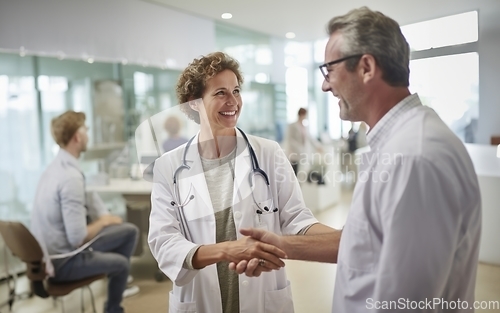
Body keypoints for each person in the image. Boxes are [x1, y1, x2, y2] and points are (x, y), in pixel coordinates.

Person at [231, 7, 481, 313]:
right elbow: (363, 243)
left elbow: (407, 302)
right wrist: (281, 245)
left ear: (366, 67)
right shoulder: (397, 144)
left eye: (330, 70)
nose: (325, 85)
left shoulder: (412, 157)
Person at [147, 52, 334, 313]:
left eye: (236, 90)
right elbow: (164, 240)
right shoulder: (169, 166)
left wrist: (342, 239)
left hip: (262, 297)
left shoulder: (268, 153)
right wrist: (226, 251)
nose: (233, 101)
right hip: (199, 300)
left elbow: (297, 218)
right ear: (194, 102)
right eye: (220, 93)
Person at [30, 111, 140, 313]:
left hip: (52, 254)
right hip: (65, 262)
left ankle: (112, 277)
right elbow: (78, 237)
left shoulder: (55, 169)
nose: (88, 134)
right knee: (122, 264)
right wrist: (103, 221)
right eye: (86, 130)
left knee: (129, 231)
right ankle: (113, 307)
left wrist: (104, 219)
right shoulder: (70, 178)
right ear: (77, 137)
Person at [286, 108, 322, 176]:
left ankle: (298, 185)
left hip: (302, 152)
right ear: (300, 114)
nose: (305, 117)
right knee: (293, 172)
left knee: (301, 171)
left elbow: (310, 138)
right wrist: (299, 149)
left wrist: (318, 146)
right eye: (304, 115)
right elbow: (290, 140)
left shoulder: (304, 126)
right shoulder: (292, 125)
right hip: (294, 152)